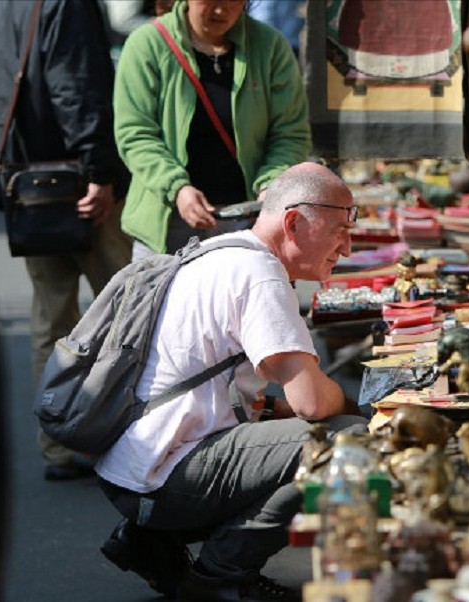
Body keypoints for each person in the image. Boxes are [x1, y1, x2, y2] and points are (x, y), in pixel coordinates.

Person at [97, 162, 366, 602]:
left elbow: (231, 386)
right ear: (294, 222)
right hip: (160, 478)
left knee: (316, 434)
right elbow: (313, 404)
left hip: (137, 467)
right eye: (340, 229)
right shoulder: (259, 275)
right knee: (350, 441)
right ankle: (219, 575)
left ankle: (156, 543)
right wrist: (359, 410)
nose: (348, 247)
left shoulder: (223, 250)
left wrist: (273, 413)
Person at [0, 0, 133, 481]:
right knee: (125, 311)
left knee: (49, 319)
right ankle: (125, 433)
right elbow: (75, 85)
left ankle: (55, 444)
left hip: (27, 180)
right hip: (76, 180)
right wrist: (98, 168)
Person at [113, 0, 311, 259]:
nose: (221, 10)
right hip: (166, 225)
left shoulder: (269, 46)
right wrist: (177, 189)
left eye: (233, 1)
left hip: (248, 222)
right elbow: (135, 133)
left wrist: (271, 185)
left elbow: (290, 132)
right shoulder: (147, 44)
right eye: (210, 0)